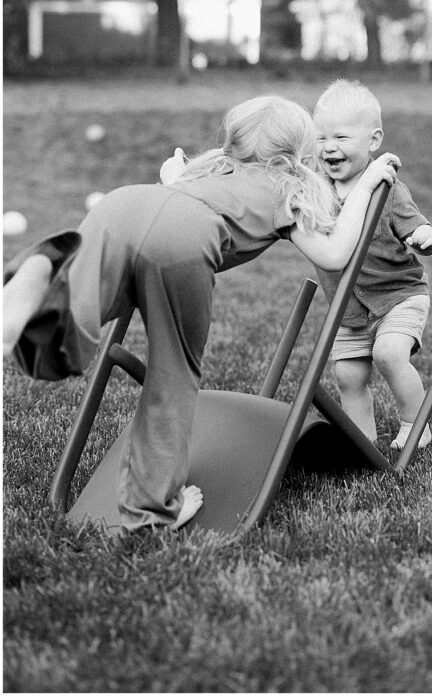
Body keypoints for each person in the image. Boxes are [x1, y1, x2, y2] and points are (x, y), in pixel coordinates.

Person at [3, 95, 398, 532]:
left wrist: (175, 177)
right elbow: (336, 254)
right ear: (298, 155)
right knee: (173, 373)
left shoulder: (209, 169)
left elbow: (172, 190)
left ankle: (37, 288)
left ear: (234, 142)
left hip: (125, 206)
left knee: (78, 309)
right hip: (184, 236)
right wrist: (366, 185)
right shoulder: (289, 188)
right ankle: (151, 510)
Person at [312, 80, 432, 450]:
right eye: (320, 138)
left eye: (340, 137)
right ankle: (362, 438)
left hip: (399, 296)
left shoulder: (387, 186)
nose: (329, 147)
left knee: (388, 353)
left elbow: (414, 221)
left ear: (372, 141)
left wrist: (424, 236)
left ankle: (415, 425)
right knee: (348, 375)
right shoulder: (316, 189)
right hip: (348, 310)